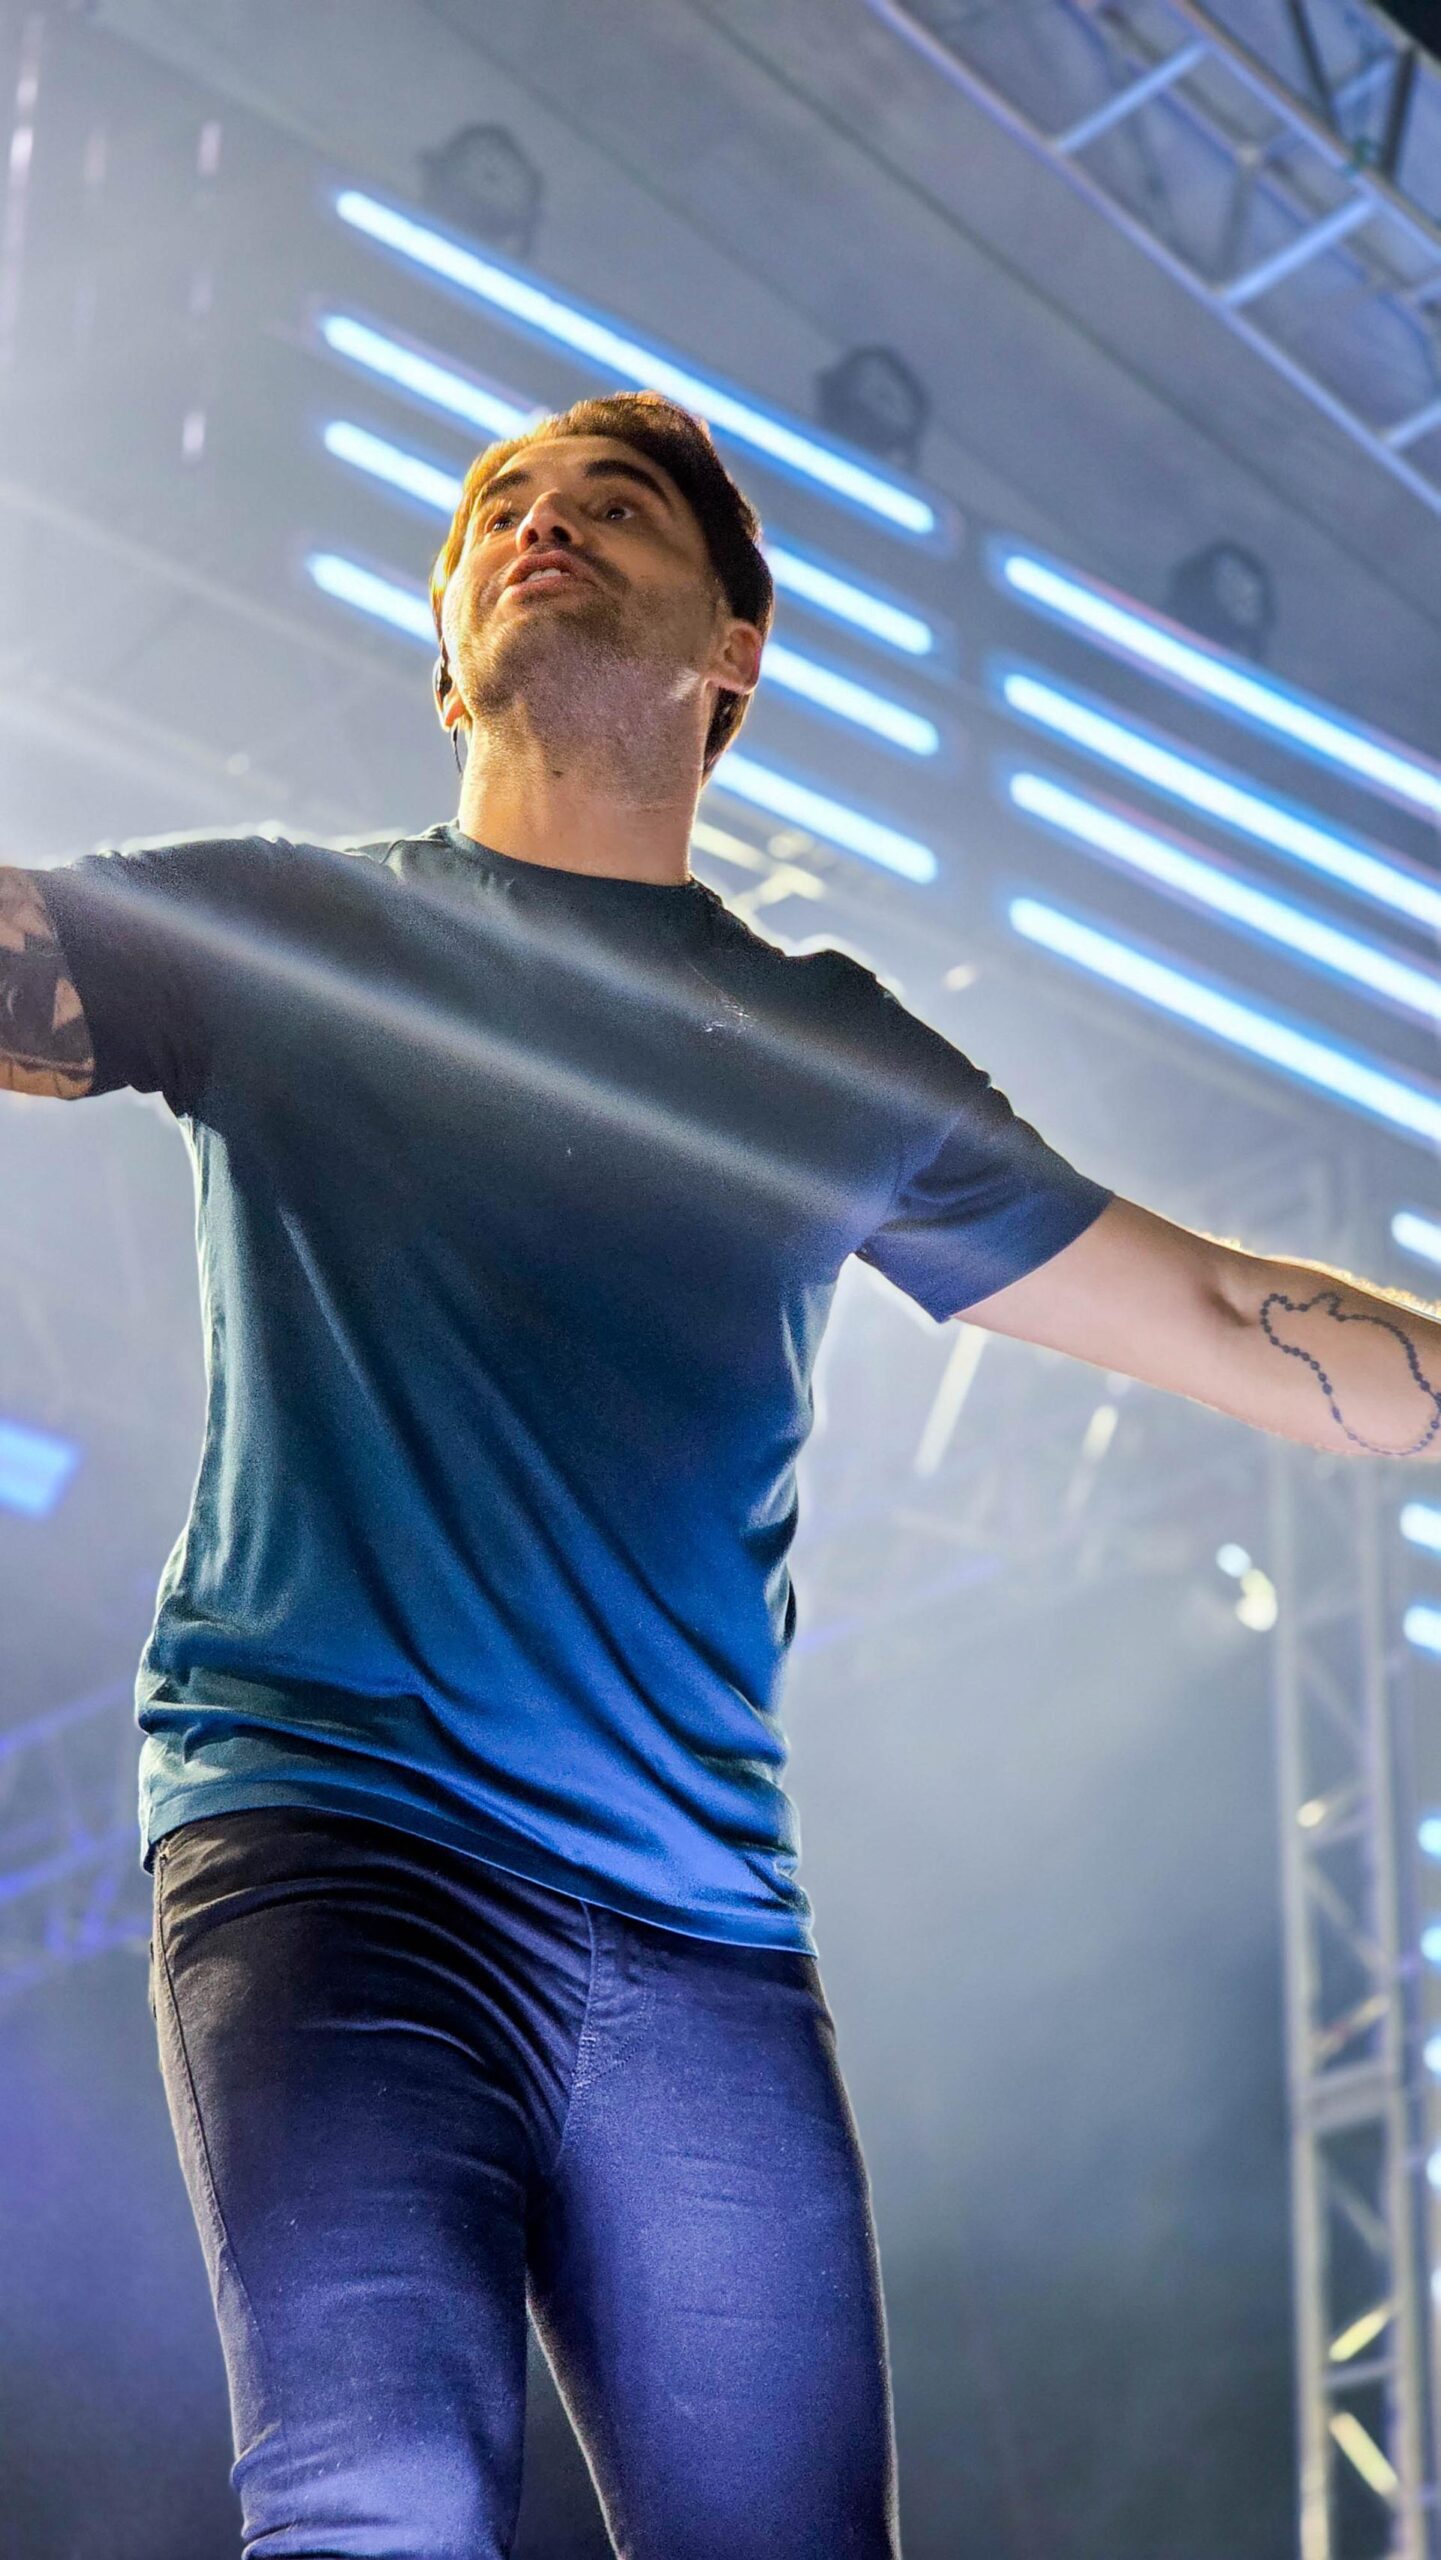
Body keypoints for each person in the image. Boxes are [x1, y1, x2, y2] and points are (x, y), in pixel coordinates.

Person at [4, 387, 1437, 2560]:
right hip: (334, 1839)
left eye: (611, 504)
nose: (541, 522)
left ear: (733, 649)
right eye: (498, 508)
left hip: (698, 1936)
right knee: (380, 2492)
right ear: (446, 647)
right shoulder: (288, 929)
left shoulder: (822, 1045)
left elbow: (1234, 1318)